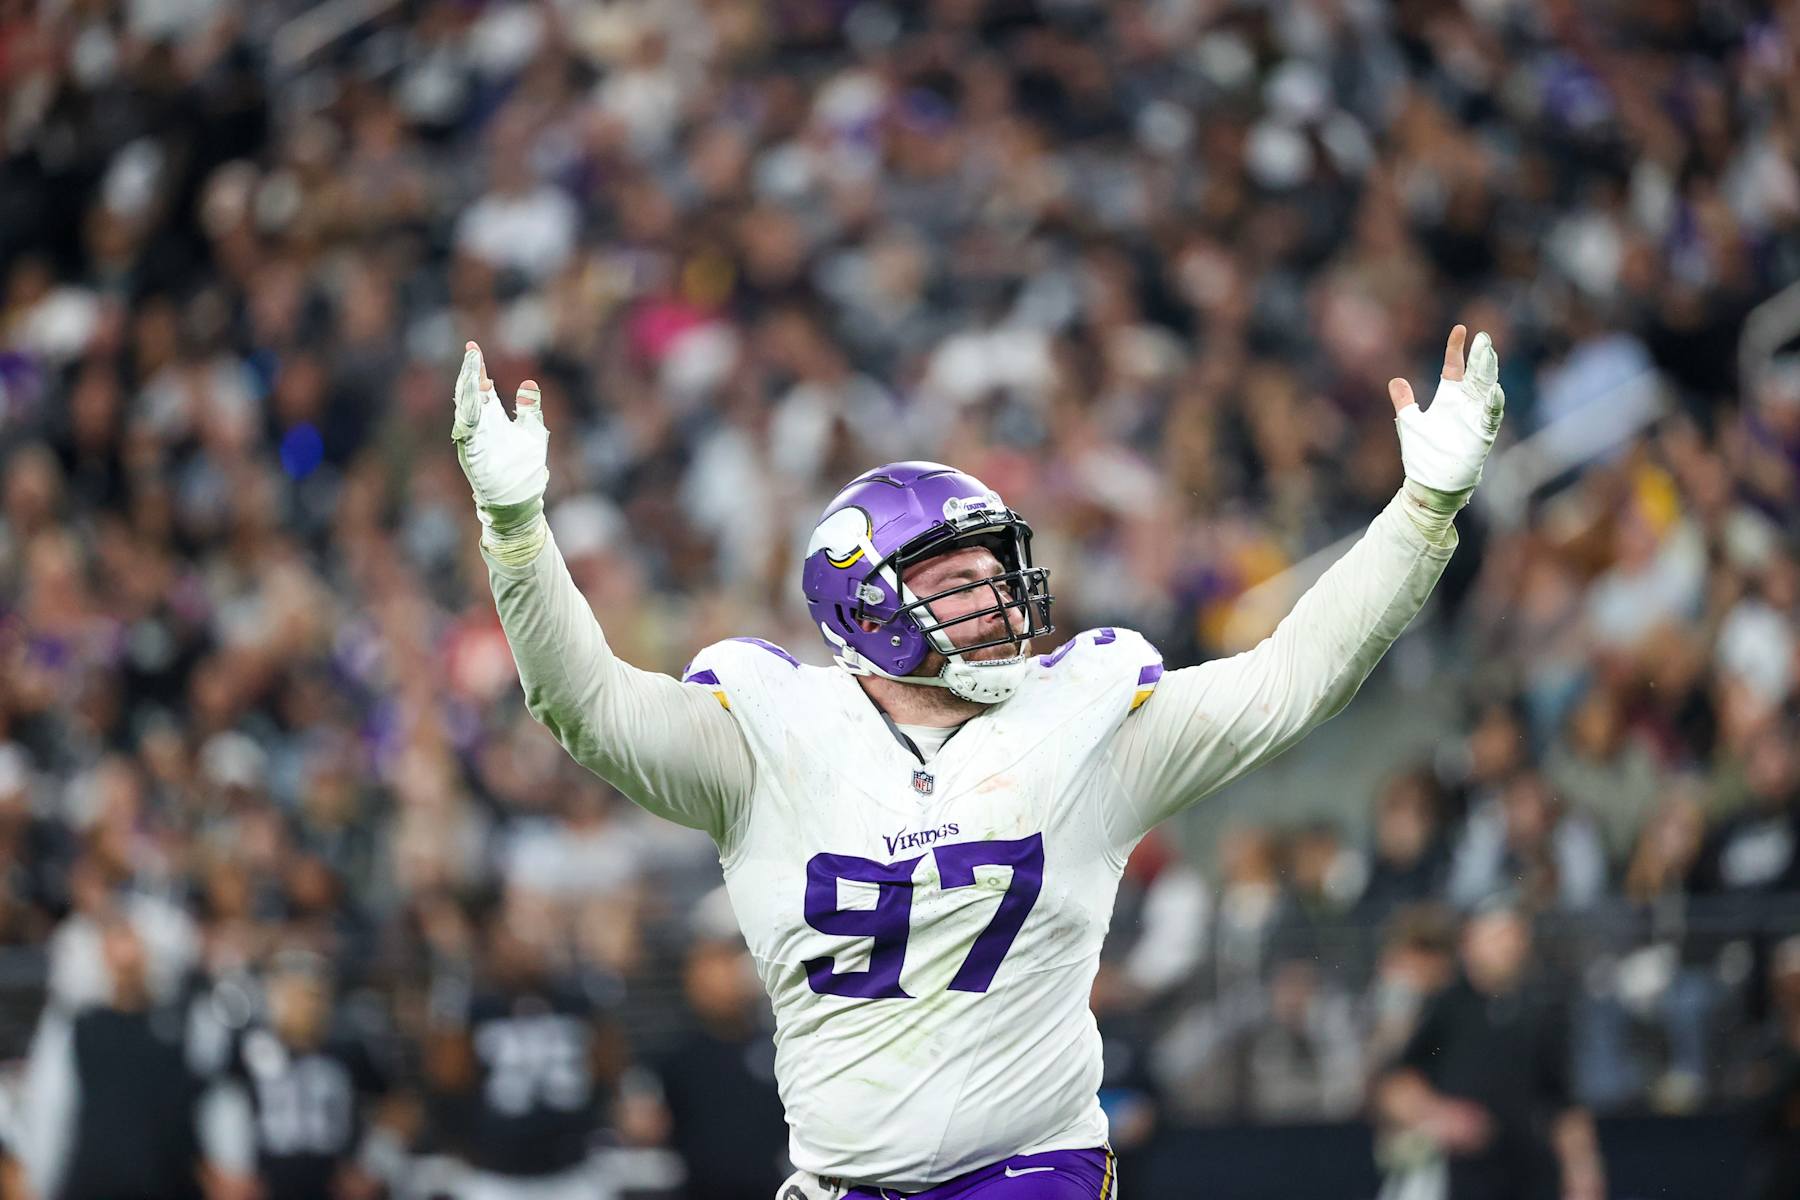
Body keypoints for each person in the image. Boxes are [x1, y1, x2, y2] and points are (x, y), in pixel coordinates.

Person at [451, 324, 1508, 1198]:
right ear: (865, 608)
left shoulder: (1084, 723)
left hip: (1028, 1169)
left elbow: (1294, 679)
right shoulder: (766, 737)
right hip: (837, 1184)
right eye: (957, 582)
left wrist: (1425, 514)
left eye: (998, 572)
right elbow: (579, 701)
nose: (999, 602)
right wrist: (514, 533)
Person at [1375, 903, 1604, 1200]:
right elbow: (1396, 1085)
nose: (1507, 945)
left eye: (1513, 934)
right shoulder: (1446, 1007)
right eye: (1496, 935)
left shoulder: (1542, 1012)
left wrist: (1582, 1171)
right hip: (1454, 1178)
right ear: (1469, 943)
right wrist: (1439, 1114)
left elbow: (1562, 1102)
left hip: (1525, 1175)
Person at [209, 950, 396, 1200]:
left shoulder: (347, 1050)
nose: (306, 1006)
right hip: (265, 1183)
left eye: (314, 995)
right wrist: (229, 1168)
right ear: (273, 996)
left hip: (331, 1183)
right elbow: (216, 1103)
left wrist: (372, 1165)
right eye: (293, 994)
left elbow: (396, 1106)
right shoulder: (246, 1047)